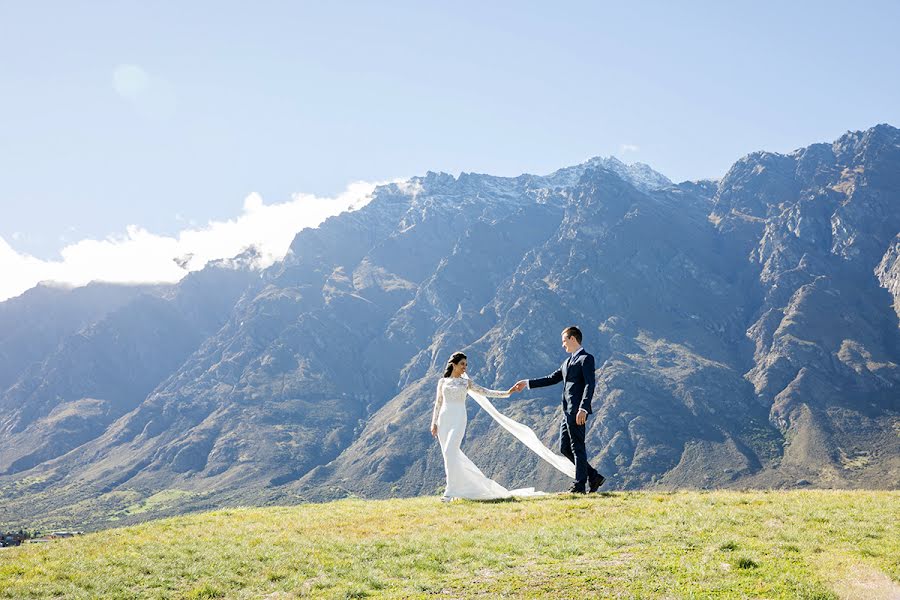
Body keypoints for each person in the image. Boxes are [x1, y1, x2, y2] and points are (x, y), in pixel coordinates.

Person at [431, 351, 576, 501]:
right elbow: (438, 403)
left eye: (466, 365)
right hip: (444, 420)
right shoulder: (442, 382)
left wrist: (507, 393)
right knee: (450, 456)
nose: (465, 367)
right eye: (462, 364)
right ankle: (457, 487)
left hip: (458, 419)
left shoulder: (465, 383)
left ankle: (450, 491)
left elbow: (485, 392)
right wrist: (434, 423)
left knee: (450, 452)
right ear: (453, 365)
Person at [514, 326, 605, 493]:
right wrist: (526, 383)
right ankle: (593, 476)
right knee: (565, 448)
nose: (563, 345)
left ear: (572, 339)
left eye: (564, 341)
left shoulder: (586, 359)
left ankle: (579, 486)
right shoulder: (567, 362)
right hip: (567, 412)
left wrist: (584, 408)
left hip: (577, 411)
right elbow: (551, 378)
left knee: (578, 448)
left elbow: (589, 384)